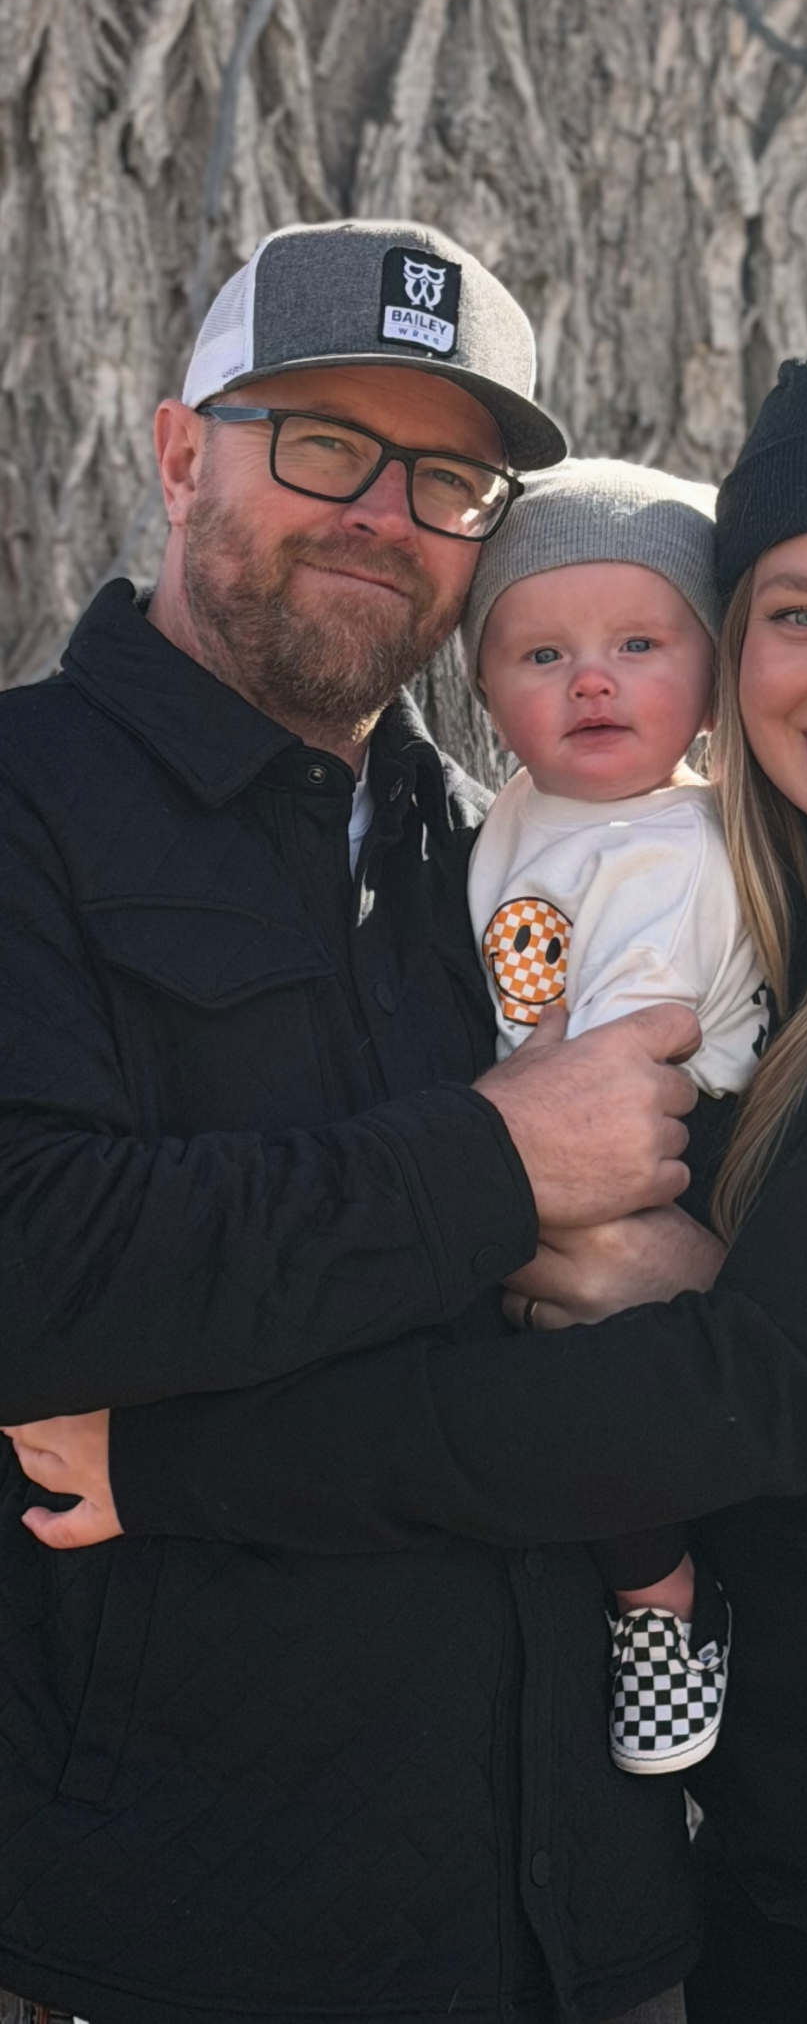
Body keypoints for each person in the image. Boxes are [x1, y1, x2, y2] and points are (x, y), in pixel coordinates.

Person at [21, 307, 807, 2020]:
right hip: (795, 1871)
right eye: (798, 614)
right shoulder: (785, 903)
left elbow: (722, 1393)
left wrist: (188, 1465)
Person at [0, 217, 713, 2024]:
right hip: (196, 1923)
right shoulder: (27, 805)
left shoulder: (509, 843)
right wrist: (492, 1162)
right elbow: (32, 1260)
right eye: (322, 442)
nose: (382, 514)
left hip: (579, 1921)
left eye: (449, 478)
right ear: (180, 450)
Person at [463, 456, 767, 1774]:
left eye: (639, 644)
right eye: (539, 652)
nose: (590, 678)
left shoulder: (677, 848)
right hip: (544, 1130)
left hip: (662, 1136)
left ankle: (663, 1600)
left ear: (707, 675)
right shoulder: (517, 814)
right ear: (483, 692)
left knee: (602, 1382)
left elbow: (615, 1066)